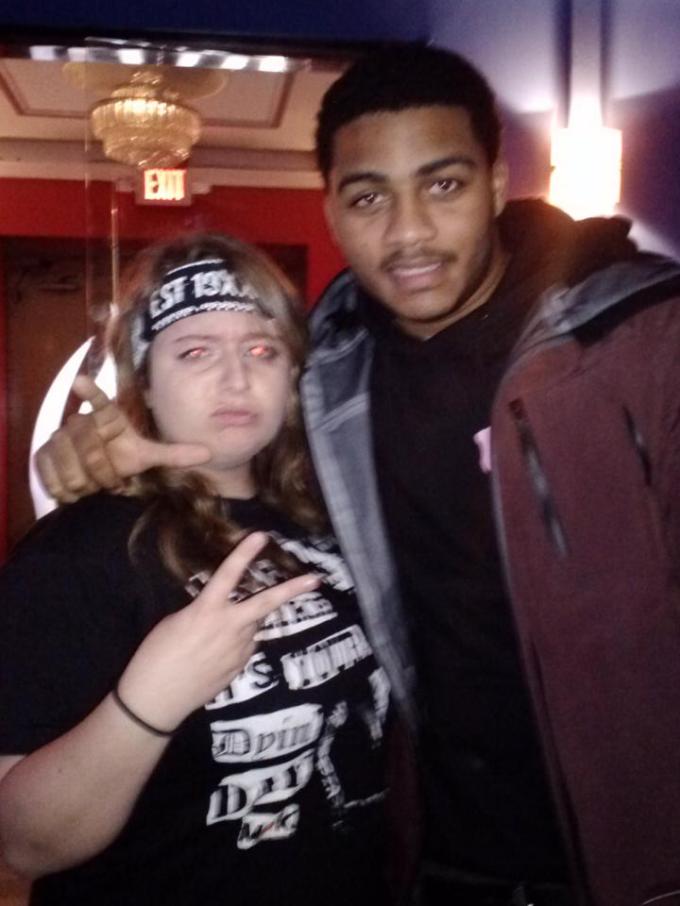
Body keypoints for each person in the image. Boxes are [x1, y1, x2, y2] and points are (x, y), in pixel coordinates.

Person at [30, 44, 680, 906]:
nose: (408, 233)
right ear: (332, 210)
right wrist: (86, 457)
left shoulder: (643, 344)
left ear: (495, 184)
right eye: (370, 197)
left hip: (634, 864)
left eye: (443, 185)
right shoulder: (336, 377)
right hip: (428, 865)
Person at [0, 233, 395, 906]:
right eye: (195, 351)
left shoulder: (336, 515)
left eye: (262, 350)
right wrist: (147, 702)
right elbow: (22, 843)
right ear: (146, 383)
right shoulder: (80, 552)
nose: (236, 379)